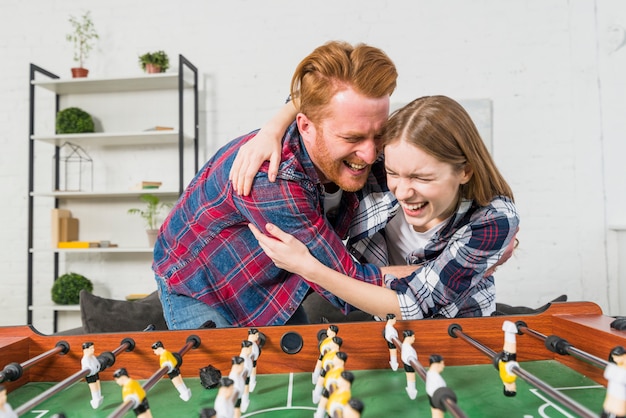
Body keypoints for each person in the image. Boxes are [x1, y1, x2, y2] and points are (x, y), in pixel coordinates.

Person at [152, 40, 412, 329]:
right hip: (198, 286)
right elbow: (349, 284)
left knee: (296, 374)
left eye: (379, 135)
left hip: (270, 287)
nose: (371, 153)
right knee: (224, 374)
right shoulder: (271, 179)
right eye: (352, 138)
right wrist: (440, 275)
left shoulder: (338, 125)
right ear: (305, 126)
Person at [248, 95, 519, 319]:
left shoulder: (494, 219)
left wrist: (307, 267)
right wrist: (271, 129)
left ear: (465, 172)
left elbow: (413, 305)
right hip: (375, 317)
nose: (402, 191)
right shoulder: (373, 168)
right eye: (394, 173)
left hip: (454, 331)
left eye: (421, 178)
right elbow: (318, 101)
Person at [601, 346, 626, 418]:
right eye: (614, 357)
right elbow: (607, 374)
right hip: (610, 400)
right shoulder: (613, 367)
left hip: (619, 403)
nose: (615, 359)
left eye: (616, 357)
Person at [81, 342, 103, 409]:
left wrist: (98, 368)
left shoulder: (92, 357)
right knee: (94, 387)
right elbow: (87, 368)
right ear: (86, 350)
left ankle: (99, 397)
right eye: (91, 348)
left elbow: (97, 363)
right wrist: (94, 370)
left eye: (93, 348)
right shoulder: (85, 359)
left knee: (98, 384)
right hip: (90, 375)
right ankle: (95, 399)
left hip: (95, 372)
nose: (93, 350)